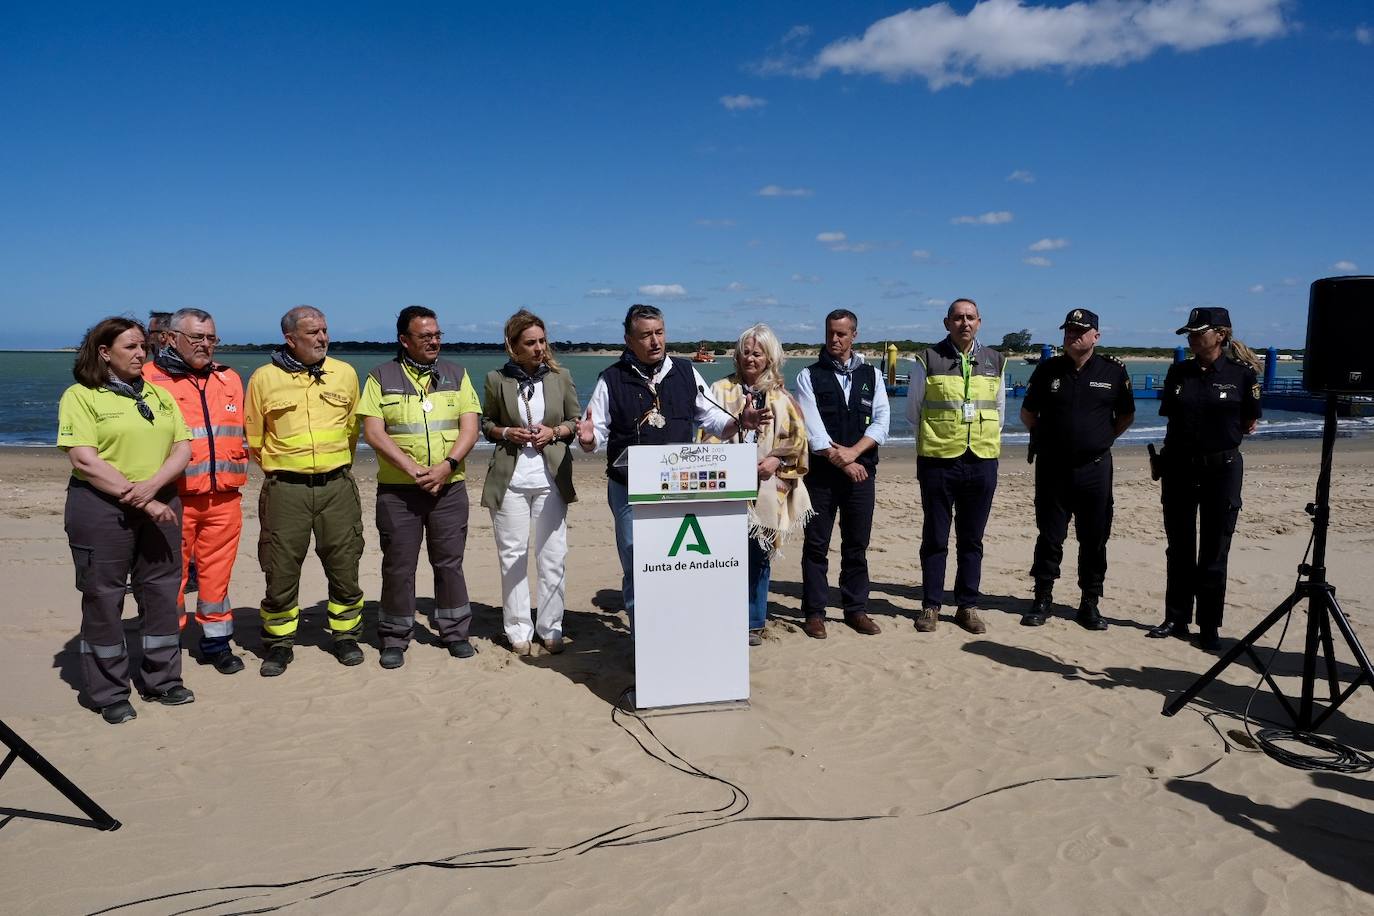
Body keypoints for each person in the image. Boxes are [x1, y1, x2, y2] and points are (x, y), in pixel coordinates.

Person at [576, 304, 768, 616]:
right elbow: (594, 434)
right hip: (629, 489)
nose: (655, 341)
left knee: (678, 564)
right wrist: (586, 439)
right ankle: (643, 637)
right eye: (646, 335)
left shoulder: (686, 372)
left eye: (659, 333)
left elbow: (715, 420)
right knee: (637, 564)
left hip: (680, 489)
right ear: (629, 340)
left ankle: (676, 625)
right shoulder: (610, 379)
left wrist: (740, 422)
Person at [58, 317, 194, 724]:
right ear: (104, 352)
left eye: (143, 347)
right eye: (130, 347)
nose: (141, 354)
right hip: (102, 508)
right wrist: (141, 498)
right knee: (104, 597)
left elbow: (182, 448)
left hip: (161, 501)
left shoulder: (159, 395)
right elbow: (85, 460)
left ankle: (163, 680)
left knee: (162, 593)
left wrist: (153, 488)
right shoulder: (81, 396)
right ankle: (110, 693)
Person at [358, 306, 481, 668]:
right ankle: (394, 636)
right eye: (425, 336)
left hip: (449, 488)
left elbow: (470, 427)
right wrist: (413, 469)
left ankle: (455, 632)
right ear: (404, 340)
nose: (434, 341)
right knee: (398, 566)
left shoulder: (457, 374)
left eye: (437, 335)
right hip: (399, 492)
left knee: (449, 563)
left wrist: (446, 466)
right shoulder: (380, 377)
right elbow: (374, 432)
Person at [245, 306, 364, 676]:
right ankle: (279, 643)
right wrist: (287, 468)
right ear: (290, 338)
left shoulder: (345, 373)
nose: (322, 338)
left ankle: (346, 636)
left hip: (337, 486)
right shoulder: (263, 378)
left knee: (345, 564)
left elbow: (352, 429)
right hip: (286, 490)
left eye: (324, 330)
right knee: (280, 567)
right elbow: (254, 439)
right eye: (313, 332)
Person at [143, 308, 250, 674]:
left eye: (211, 338)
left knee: (217, 577)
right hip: (174, 499)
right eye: (197, 338)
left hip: (225, 499)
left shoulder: (229, 378)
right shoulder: (148, 379)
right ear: (172, 339)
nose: (206, 344)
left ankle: (216, 644)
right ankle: (166, 647)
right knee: (169, 580)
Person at [1148, 307, 1261, 651]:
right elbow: (1171, 417)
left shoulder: (1242, 375)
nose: (1193, 339)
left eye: (1199, 333)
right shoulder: (1179, 372)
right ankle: (1176, 617)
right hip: (1179, 468)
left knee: (1215, 549)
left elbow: (1249, 422)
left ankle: (1209, 625)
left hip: (1221, 470)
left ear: (1221, 335)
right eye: (1190, 334)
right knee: (1179, 546)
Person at [1019, 309, 1135, 630]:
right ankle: (1042, 598)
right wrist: (1048, 439)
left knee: (1094, 538)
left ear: (1095, 336)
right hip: (1053, 469)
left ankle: (1089, 603)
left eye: (1080, 331)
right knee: (1049, 536)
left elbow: (1126, 416)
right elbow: (1028, 414)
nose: (1072, 335)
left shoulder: (1113, 371)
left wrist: (1100, 439)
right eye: (1068, 330)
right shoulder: (1048, 370)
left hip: (1094, 469)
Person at [701, 323, 812, 646]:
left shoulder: (782, 396)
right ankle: (722, 614)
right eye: (746, 352)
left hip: (767, 486)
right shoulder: (720, 389)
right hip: (725, 485)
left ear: (770, 358)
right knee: (722, 554)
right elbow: (704, 435)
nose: (750, 358)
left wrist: (775, 460)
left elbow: (798, 441)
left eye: (757, 353)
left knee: (758, 554)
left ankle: (753, 621)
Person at [480, 310, 580, 655]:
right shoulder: (496, 379)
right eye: (531, 343)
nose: (539, 348)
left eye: (542, 341)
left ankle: (551, 626)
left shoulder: (561, 377)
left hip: (551, 477)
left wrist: (555, 432)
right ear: (513, 346)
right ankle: (517, 629)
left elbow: (574, 420)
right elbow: (487, 423)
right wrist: (507, 431)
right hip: (510, 478)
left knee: (553, 555)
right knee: (513, 555)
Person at [907, 298, 1006, 635]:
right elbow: (913, 411)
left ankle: (967, 606)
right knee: (935, 536)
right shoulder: (927, 359)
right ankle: (931, 605)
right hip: (938, 461)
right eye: (958, 317)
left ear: (979, 322)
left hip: (981, 460)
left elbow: (999, 411)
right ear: (947, 322)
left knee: (972, 539)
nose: (965, 323)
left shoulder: (995, 360)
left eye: (970, 317)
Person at [795, 309, 890, 639]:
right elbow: (813, 431)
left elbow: (882, 422)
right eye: (830, 333)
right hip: (821, 476)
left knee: (856, 544)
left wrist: (855, 453)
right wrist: (844, 461)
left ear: (854, 336)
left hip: (862, 475)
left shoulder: (872, 375)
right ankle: (814, 613)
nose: (834, 339)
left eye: (841, 334)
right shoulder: (808, 376)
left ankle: (856, 609)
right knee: (816, 545)